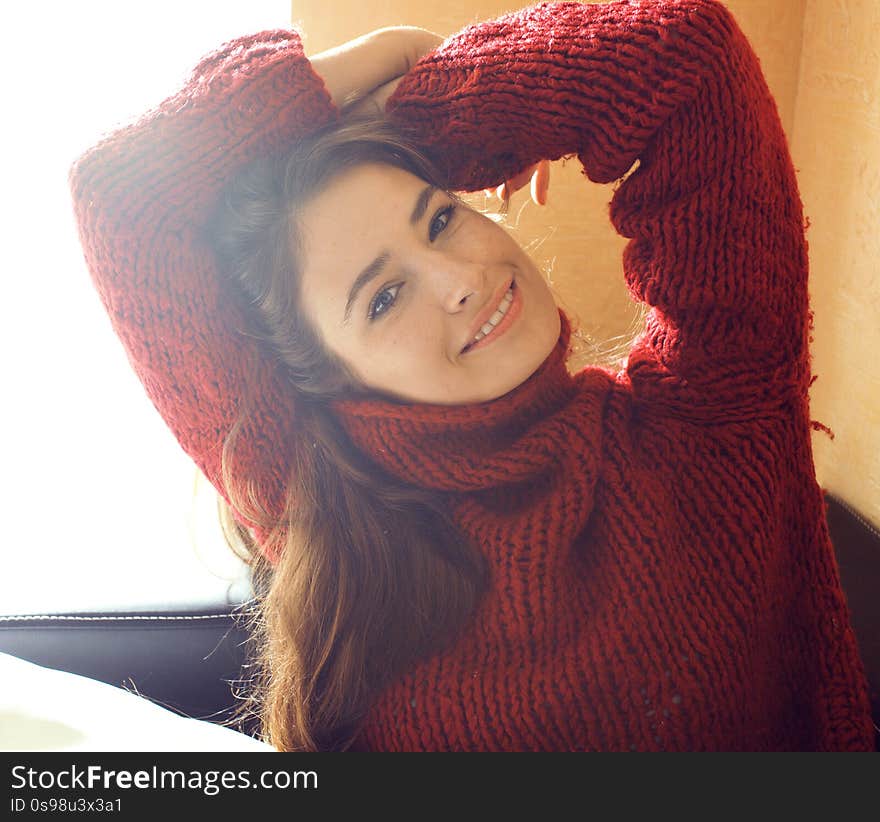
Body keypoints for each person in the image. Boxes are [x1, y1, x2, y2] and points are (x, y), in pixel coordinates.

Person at [69, 0, 874, 752]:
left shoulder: (715, 415)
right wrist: (362, 64)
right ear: (325, 380)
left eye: (441, 216)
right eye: (384, 297)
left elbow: (688, 58)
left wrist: (431, 103)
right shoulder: (319, 507)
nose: (458, 276)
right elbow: (121, 198)